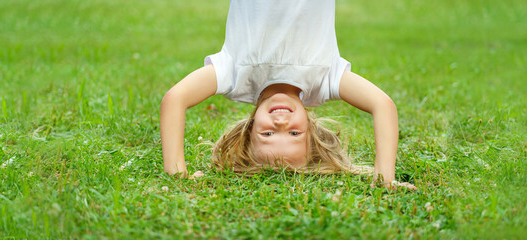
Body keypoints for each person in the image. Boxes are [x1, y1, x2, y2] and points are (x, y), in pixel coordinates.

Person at [160, 0, 416, 190]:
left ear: (249, 129)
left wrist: (176, 174)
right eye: (294, 134)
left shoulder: (233, 74)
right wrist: (385, 178)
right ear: (311, 128)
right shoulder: (325, 79)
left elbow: (175, 99)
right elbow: (382, 105)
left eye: (268, 134)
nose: (280, 124)